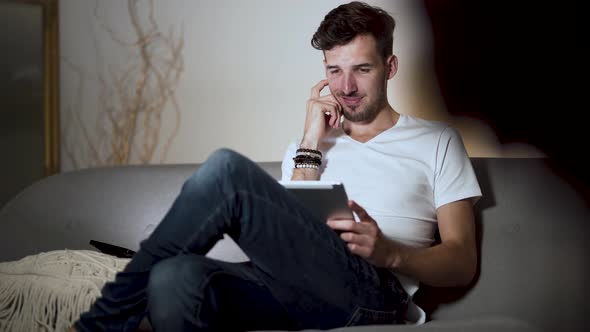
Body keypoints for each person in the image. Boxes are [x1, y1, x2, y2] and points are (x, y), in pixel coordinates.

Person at [70, 1, 481, 331]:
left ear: (389, 68)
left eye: (362, 69)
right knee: (173, 277)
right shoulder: (308, 147)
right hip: (290, 289)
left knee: (227, 172)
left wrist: (389, 253)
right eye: (334, 71)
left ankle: (103, 320)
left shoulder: (436, 141)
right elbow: (292, 235)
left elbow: (462, 260)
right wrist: (310, 141)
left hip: (372, 294)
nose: (346, 87)